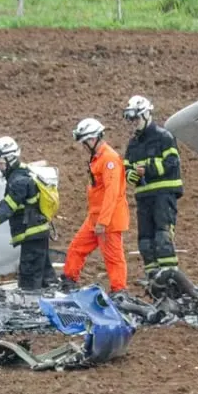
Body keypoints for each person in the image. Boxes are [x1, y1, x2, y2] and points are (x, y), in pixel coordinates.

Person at [0, 136, 57, 291]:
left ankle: (33, 309)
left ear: (10, 159)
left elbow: (5, 209)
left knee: (29, 280)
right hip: (37, 235)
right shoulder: (21, 174)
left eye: (0, 162)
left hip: (32, 235)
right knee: (46, 277)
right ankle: (53, 302)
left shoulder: (19, 181)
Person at [58, 118, 130, 297]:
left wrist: (103, 222)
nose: (83, 146)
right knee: (76, 248)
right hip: (95, 218)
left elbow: (112, 194)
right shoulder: (98, 158)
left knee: (113, 258)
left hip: (108, 220)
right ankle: (68, 282)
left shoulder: (109, 159)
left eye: (84, 142)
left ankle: (119, 292)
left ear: (92, 139)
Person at [122, 95, 183, 283]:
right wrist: (131, 175)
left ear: (147, 114)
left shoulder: (164, 136)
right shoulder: (133, 144)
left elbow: (172, 163)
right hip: (144, 197)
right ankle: (153, 280)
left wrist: (146, 168)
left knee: (163, 238)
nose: (134, 123)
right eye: (132, 120)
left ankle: (170, 278)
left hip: (164, 195)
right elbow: (126, 169)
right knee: (145, 242)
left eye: (136, 119)